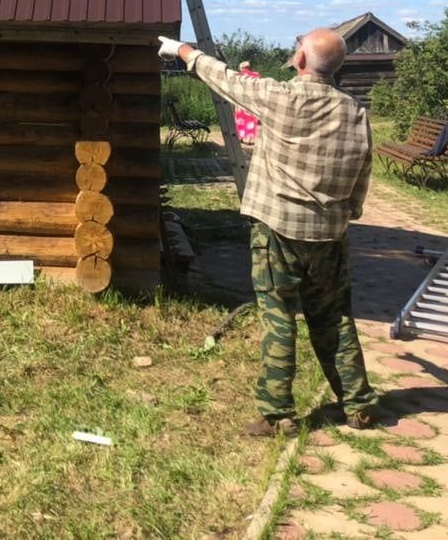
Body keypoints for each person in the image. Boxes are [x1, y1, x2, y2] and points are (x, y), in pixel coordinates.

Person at [157, 29, 379, 436]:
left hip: (278, 231)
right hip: (329, 236)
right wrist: (348, 212)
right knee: (335, 318)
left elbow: (226, 79)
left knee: (279, 319)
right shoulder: (356, 113)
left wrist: (183, 51)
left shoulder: (282, 97)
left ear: (300, 61)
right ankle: (359, 405)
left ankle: (278, 415)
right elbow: (363, 172)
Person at [234, 60, 260, 144]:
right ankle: (249, 139)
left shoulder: (238, 76)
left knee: (240, 120)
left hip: (240, 101)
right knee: (250, 121)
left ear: (241, 67)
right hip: (252, 101)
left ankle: (240, 137)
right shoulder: (256, 75)